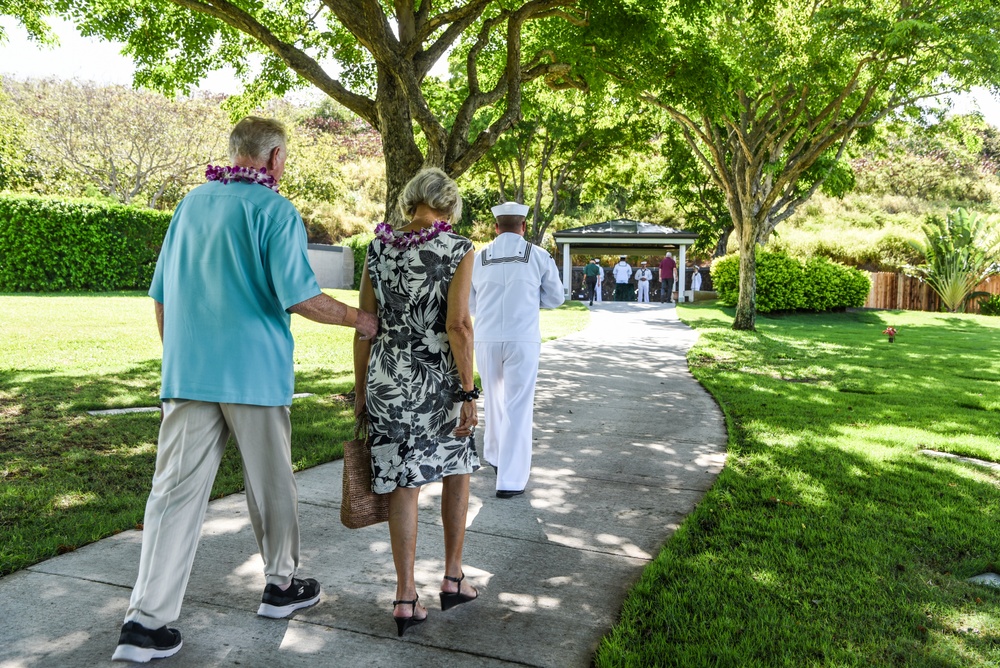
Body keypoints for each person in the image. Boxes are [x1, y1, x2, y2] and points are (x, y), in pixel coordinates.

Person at [112, 117, 378, 664]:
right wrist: (362, 321)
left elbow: (160, 295)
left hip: (188, 373)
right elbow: (302, 296)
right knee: (271, 485)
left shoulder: (190, 205)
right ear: (275, 158)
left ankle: (145, 622)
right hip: (254, 375)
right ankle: (281, 586)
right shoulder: (275, 210)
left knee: (171, 497)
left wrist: (178, 357)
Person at [353, 168, 480, 638]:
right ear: (449, 207)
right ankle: (452, 577)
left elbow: (365, 324)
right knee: (456, 469)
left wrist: (361, 387)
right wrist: (468, 391)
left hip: (386, 378)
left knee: (403, 483)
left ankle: (405, 597)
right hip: (439, 380)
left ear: (410, 202)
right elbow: (459, 325)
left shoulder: (378, 246)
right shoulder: (459, 249)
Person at [470, 201, 564, 499]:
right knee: (518, 407)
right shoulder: (538, 256)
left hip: (486, 339)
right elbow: (555, 299)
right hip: (521, 338)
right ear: (523, 227)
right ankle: (510, 480)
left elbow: (470, 303)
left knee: (494, 401)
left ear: (496, 228)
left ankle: (497, 457)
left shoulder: (477, 258)